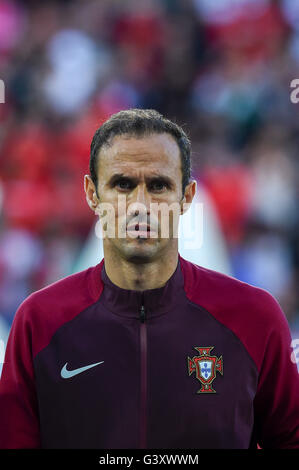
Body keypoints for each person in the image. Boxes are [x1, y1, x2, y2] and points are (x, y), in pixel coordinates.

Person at [0, 108, 298, 449]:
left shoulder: (254, 317)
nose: (139, 205)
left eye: (158, 185)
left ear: (186, 197)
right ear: (92, 193)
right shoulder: (38, 323)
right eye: (122, 184)